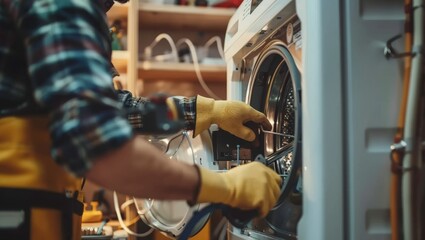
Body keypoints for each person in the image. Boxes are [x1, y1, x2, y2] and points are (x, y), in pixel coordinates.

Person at [0, 0, 281, 239]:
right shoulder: (63, 6)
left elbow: (115, 110)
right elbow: (98, 148)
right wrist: (224, 187)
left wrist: (206, 110)